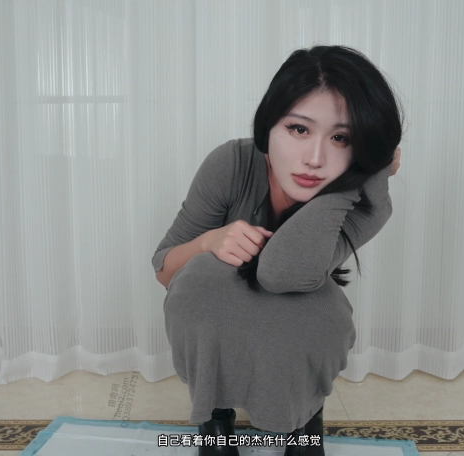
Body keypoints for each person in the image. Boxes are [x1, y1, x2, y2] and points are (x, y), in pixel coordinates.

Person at [152, 45, 403, 456]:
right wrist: (208, 242)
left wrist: (359, 178)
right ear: (268, 125)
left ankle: (305, 416)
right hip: (220, 302)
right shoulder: (231, 164)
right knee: (199, 279)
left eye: (341, 138)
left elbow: (284, 272)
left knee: (320, 307)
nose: (315, 159)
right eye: (299, 129)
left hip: (296, 307)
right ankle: (214, 416)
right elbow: (165, 273)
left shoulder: (365, 203)